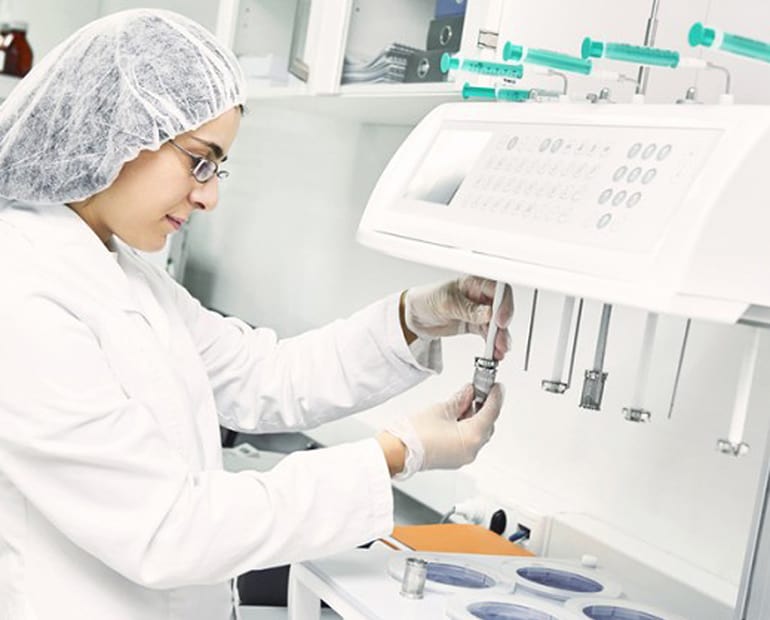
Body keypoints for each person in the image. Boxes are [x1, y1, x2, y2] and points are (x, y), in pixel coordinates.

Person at [0, 9, 513, 620]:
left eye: (218, 168)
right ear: (119, 127)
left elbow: (263, 373)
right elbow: (167, 529)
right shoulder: (23, 291)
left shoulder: (121, 273)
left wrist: (417, 317)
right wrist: (398, 453)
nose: (210, 195)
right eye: (199, 161)